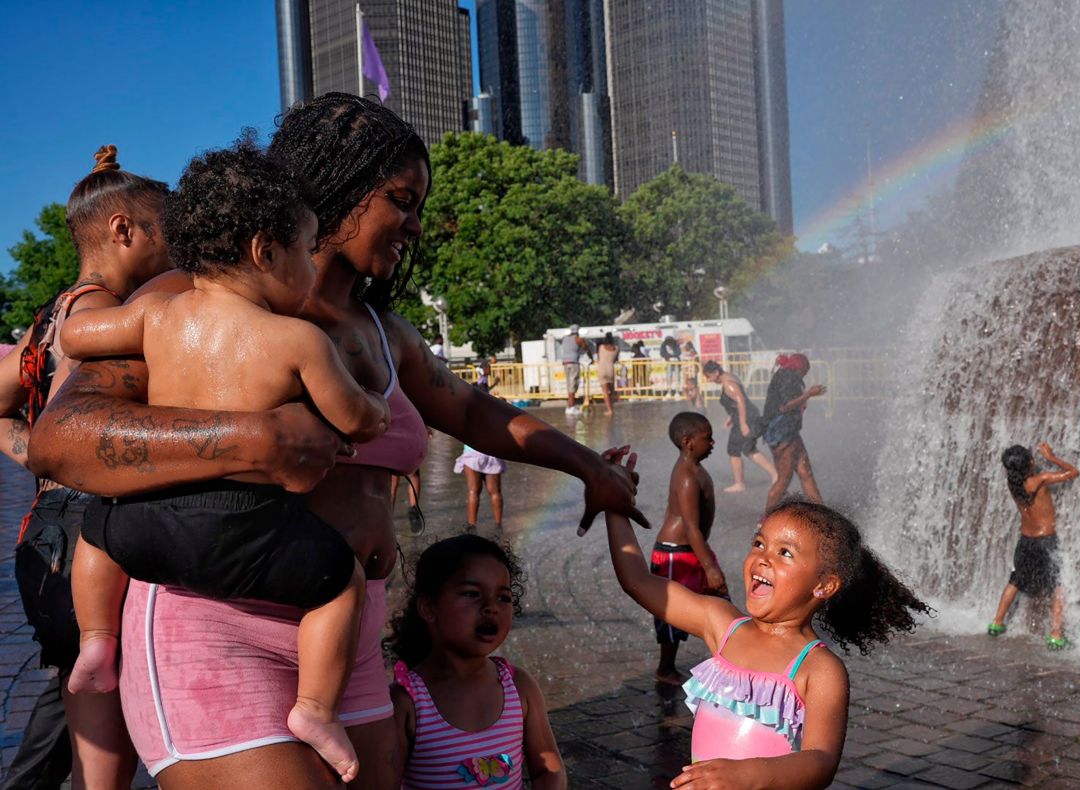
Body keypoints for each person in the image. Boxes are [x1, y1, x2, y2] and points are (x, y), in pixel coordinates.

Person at [28, 94, 645, 790]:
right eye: (401, 200)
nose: (414, 224)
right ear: (341, 187)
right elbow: (62, 438)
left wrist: (588, 464)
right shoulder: (196, 299)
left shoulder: (386, 331)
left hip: (346, 637)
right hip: (214, 628)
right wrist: (251, 437)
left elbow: (471, 410)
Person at [58, 141, 393, 782]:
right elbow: (357, 419)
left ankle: (98, 639)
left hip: (145, 527)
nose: (312, 265)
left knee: (97, 527)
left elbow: (78, 334)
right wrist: (374, 400)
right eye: (307, 247)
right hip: (243, 528)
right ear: (267, 251)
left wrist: (103, 323)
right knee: (341, 583)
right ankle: (316, 710)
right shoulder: (297, 340)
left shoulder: (157, 315)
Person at [0, 144, 170, 789]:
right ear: (124, 230)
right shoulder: (108, 320)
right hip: (92, 536)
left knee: (75, 690)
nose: (177, 251)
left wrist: (35, 459)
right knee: (103, 741)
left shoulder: (50, 318)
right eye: (168, 234)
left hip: (45, 536)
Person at [603, 455, 930, 789]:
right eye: (759, 543)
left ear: (823, 585)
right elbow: (639, 582)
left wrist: (747, 774)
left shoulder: (818, 669)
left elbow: (821, 761)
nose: (763, 557)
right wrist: (614, 503)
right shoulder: (723, 626)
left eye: (785, 553)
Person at [387, 535, 565, 788]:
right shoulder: (408, 701)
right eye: (472, 593)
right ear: (428, 608)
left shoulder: (519, 687)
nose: (491, 607)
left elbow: (550, 770)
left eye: (503, 597)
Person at [650, 413, 725, 685]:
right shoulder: (686, 476)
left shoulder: (694, 470)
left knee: (719, 602)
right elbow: (692, 527)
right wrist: (710, 567)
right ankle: (665, 668)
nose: (713, 442)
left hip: (693, 550)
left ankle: (731, 659)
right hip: (676, 554)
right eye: (708, 438)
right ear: (688, 442)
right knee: (673, 613)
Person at [988, 443, 1079, 650]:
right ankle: (1056, 634)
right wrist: (1052, 457)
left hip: (1025, 541)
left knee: (1015, 580)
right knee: (1058, 583)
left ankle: (997, 622)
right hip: (1045, 541)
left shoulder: (1013, 484)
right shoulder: (1040, 480)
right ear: (1030, 463)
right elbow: (1073, 472)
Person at [701, 360, 777, 493]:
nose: (708, 380)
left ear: (716, 372)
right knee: (747, 448)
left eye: (709, 376)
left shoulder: (728, 384)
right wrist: (731, 417)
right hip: (745, 417)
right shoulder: (730, 376)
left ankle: (741, 483)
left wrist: (743, 423)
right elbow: (736, 403)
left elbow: (741, 401)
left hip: (747, 419)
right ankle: (774, 475)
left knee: (736, 448)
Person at [763, 353, 826, 508]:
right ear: (800, 368)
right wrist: (809, 394)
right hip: (781, 433)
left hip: (789, 431)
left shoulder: (785, 375)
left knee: (805, 473)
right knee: (784, 479)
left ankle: (821, 513)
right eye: (805, 371)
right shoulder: (788, 378)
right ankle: (766, 518)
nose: (805, 375)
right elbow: (785, 406)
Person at [454, 360, 506, 530]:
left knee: (473, 491)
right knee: (495, 492)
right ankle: (499, 526)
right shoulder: (493, 411)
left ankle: (471, 527)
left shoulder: (467, 412)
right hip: (491, 452)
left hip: (472, 453)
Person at [560, 324, 591, 415]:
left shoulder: (564, 338)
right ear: (577, 331)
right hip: (573, 362)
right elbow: (585, 347)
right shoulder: (578, 339)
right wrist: (591, 357)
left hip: (565, 362)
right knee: (574, 383)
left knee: (569, 383)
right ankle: (571, 406)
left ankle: (570, 405)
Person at [596, 332, 619, 416]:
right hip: (610, 369)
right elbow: (616, 359)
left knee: (605, 391)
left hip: (602, 369)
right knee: (611, 391)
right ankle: (612, 408)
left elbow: (599, 357)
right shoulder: (616, 348)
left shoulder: (601, 347)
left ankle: (609, 410)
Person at [682, 341, 703, 410]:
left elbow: (695, 360)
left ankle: (694, 400)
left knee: (693, 385)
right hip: (688, 371)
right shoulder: (686, 352)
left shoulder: (693, 352)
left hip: (692, 371)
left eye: (687, 346)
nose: (685, 347)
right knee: (687, 385)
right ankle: (691, 399)